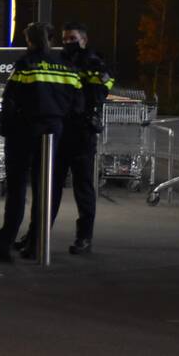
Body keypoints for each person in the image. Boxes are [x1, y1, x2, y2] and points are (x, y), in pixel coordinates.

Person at [0, 23, 82, 262]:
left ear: (29, 41)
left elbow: (9, 99)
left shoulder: (26, 64)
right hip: (53, 134)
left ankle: (5, 244)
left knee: (17, 190)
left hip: (23, 132)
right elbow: (78, 103)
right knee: (43, 189)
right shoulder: (66, 66)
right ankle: (36, 243)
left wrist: (7, 129)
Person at [52, 22, 113, 255]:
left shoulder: (94, 63)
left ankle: (84, 237)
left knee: (83, 188)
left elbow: (101, 91)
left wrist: (88, 77)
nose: (68, 43)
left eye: (73, 38)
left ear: (84, 40)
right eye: (65, 39)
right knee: (51, 186)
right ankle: (38, 234)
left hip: (82, 133)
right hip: (60, 131)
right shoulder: (60, 61)